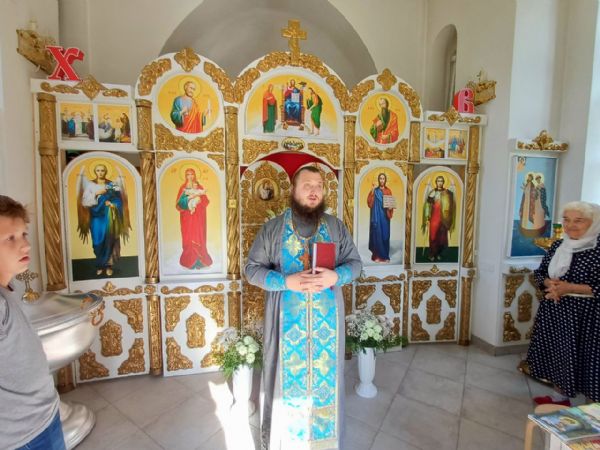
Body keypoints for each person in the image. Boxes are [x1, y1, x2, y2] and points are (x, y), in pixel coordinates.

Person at [245, 166, 362, 449]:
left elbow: (356, 264)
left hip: (327, 327)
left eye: (319, 185)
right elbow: (251, 270)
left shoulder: (335, 227)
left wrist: (336, 276)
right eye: (307, 185)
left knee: (326, 383)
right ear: (293, 190)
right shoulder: (273, 229)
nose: (314, 191)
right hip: (286, 327)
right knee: (285, 383)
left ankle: (325, 442)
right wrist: (286, 281)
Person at [0, 195, 65, 450]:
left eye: (23, 234)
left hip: (41, 417)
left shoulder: (9, 288)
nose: (26, 245)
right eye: (10, 238)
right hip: (23, 434)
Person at [523, 201, 600, 404]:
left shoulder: (597, 247)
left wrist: (570, 288)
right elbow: (540, 273)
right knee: (559, 355)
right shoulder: (559, 245)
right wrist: (549, 283)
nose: (570, 225)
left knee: (589, 361)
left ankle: (592, 410)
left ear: (593, 222)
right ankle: (560, 398)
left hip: (589, 317)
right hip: (557, 311)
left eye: (578, 220)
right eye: (566, 219)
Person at [77, 163, 131, 277]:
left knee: (109, 240)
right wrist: (96, 194)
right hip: (96, 217)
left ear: (106, 172)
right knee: (97, 242)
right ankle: (100, 265)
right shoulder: (90, 185)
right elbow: (85, 202)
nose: (100, 172)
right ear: (95, 172)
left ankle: (108, 266)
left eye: (102, 170)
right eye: (98, 170)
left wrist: (112, 204)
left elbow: (119, 200)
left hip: (108, 217)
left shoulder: (112, 185)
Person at [176, 168, 212, 269]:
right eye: (188, 174)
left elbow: (206, 201)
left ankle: (200, 260)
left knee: (199, 237)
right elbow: (178, 205)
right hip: (187, 219)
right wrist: (188, 200)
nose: (190, 176)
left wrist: (199, 200)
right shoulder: (183, 188)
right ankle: (189, 261)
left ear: (195, 175)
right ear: (185, 176)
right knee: (188, 238)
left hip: (198, 218)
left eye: (192, 174)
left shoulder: (199, 187)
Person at [422, 175, 455, 261]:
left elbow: (451, 202)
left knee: (442, 237)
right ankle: (432, 254)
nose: (440, 183)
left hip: (443, 218)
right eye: (438, 181)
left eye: (441, 181)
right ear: (436, 182)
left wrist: (453, 185)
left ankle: (438, 254)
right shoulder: (432, 192)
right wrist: (427, 217)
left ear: (443, 182)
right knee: (433, 236)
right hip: (434, 217)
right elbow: (428, 205)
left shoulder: (447, 193)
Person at [367, 172, 394, 262]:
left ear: (385, 180)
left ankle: (385, 256)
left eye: (383, 178)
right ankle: (377, 256)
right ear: (378, 180)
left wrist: (390, 208)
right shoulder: (375, 190)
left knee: (385, 235)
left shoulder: (388, 191)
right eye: (380, 178)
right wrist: (372, 190)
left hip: (385, 217)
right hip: (376, 216)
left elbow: (391, 204)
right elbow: (370, 203)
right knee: (377, 234)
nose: (382, 180)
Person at [519, 172, 546, 237]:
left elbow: (534, 193)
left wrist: (532, 192)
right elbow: (525, 193)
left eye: (530, 177)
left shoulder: (532, 185)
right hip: (526, 202)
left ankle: (530, 227)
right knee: (525, 213)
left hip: (530, 202)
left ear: (531, 178)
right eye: (528, 177)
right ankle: (524, 226)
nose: (529, 178)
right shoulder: (527, 184)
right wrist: (525, 190)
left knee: (531, 213)